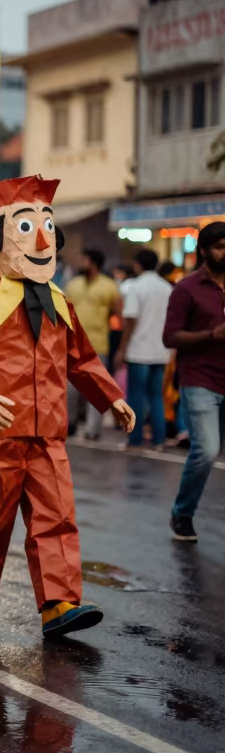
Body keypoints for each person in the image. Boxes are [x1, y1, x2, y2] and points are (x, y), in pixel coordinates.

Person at [0, 175, 133, 637]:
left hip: (47, 430)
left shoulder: (60, 305)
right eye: (26, 228)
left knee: (57, 517)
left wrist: (113, 397)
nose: (44, 237)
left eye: (47, 226)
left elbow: (82, 358)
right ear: (0, 240)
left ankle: (58, 603)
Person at [163, 221, 225, 542]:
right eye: (219, 247)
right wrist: (211, 334)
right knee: (207, 450)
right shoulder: (186, 288)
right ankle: (182, 513)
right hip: (199, 378)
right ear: (203, 250)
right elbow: (170, 337)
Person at [113, 249, 172, 450]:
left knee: (136, 396)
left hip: (139, 350)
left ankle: (135, 438)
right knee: (156, 397)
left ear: (138, 264)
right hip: (161, 351)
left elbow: (130, 319)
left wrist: (122, 348)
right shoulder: (167, 288)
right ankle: (159, 440)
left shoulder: (136, 287)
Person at [64, 248, 121, 439]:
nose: (81, 262)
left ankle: (92, 429)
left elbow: (118, 312)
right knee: (71, 389)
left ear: (93, 262)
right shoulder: (73, 284)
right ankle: (70, 422)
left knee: (95, 389)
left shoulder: (110, 286)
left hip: (98, 344)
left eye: (84, 259)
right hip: (72, 343)